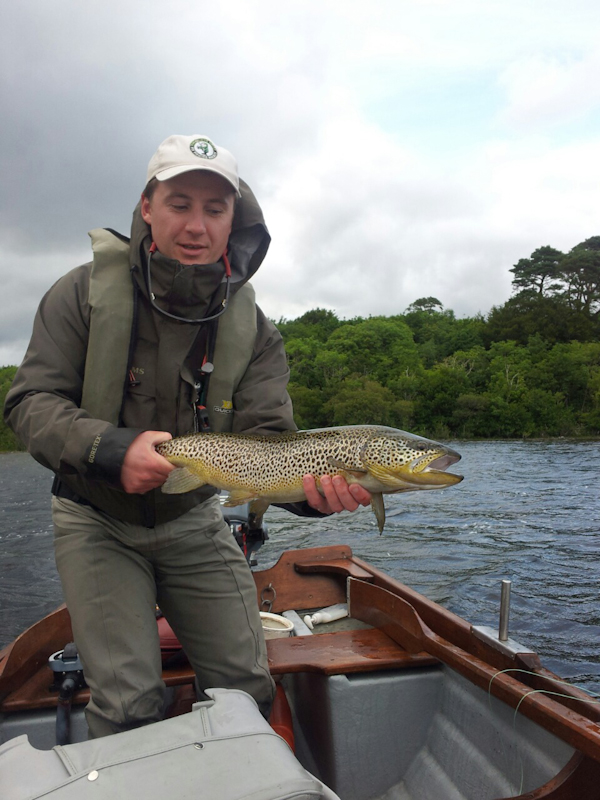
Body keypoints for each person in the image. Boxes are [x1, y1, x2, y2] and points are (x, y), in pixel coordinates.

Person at [4, 135, 371, 738]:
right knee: (127, 707)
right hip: (95, 517)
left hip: (194, 517)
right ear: (148, 207)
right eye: (179, 203)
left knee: (246, 688)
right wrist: (112, 451)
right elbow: (28, 403)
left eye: (214, 209)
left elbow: (271, 443)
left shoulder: (256, 331)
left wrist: (311, 496)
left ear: (234, 221)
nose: (196, 225)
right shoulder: (79, 294)